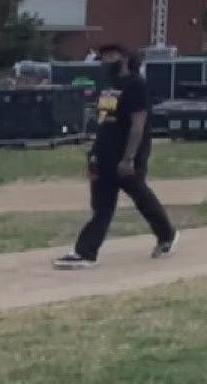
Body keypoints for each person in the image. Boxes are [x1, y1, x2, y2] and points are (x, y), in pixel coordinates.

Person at [55, 44, 177, 269]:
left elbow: (138, 124)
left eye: (111, 55)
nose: (106, 59)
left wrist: (129, 158)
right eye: (103, 56)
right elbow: (106, 120)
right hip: (104, 153)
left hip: (127, 155)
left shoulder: (136, 85)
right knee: (102, 206)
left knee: (141, 197)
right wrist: (95, 152)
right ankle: (86, 253)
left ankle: (166, 234)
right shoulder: (109, 85)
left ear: (125, 58)